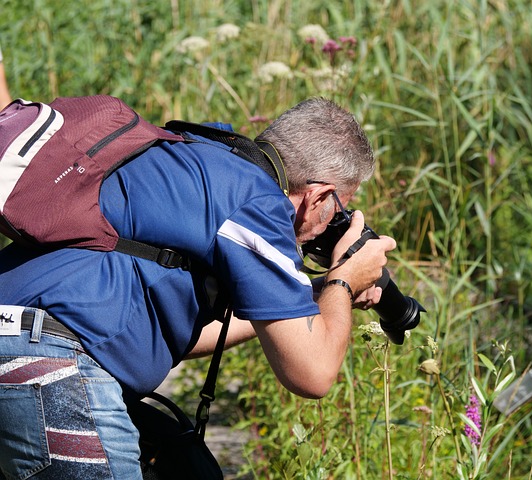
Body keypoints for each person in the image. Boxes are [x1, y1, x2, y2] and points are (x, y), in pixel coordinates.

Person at [0, 97, 396, 479]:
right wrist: (344, 278)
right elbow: (313, 373)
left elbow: (182, 335)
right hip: (48, 365)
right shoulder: (257, 201)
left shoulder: (195, 157)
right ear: (318, 196)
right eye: (340, 213)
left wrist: (319, 292)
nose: (333, 229)